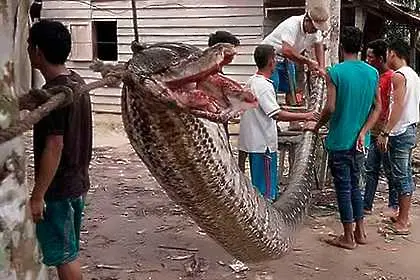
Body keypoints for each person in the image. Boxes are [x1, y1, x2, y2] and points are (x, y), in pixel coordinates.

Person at [27, 20, 92, 280]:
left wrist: (37, 195)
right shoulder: (77, 83)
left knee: (65, 258)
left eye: (29, 46)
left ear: (38, 51)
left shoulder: (53, 95)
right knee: (68, 251)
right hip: (77, 182)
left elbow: (55, 145)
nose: (28, 51)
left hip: (59, 189)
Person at [310, 26, 381, 249]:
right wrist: (363, 131)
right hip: (361, 142)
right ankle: (360, 232)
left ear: (342, 47)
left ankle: (348, 237)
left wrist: (317, 124)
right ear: (360, 48)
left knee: (343, 188)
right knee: (355, 187)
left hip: (340, 140)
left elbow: (330, 107)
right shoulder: (372, 72)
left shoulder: (336, 72)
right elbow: (377, 107)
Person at [239, 44, 318, 201]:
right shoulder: (264, 86)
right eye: (275, 60)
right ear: (271, 62)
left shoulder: (251, 81)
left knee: (259, 185)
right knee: (266, 192)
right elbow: (276, 114)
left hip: (253, 142)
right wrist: (306, 116)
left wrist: (300, 113)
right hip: (263, 144)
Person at [377, 39, 420, 235]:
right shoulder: (413, 75)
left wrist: (386, 131)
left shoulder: (399, 76)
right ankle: (402, 215)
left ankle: (403, 219)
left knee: (401, 174)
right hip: (409, 127)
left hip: (401, 130)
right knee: (402, 172)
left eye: (387, 53)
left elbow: (399, 105)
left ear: (393, 53)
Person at [262, 5, 329, 105]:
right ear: (307, 20)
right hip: (269, 55)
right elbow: (287, 50)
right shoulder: (292, 24)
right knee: (272, 86)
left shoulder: (316, 32)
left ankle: (293, 117)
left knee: (291, 88)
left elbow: (319, 46)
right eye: (314, 28)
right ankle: (271, 115)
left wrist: (321, 67)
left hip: (287, 58)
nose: (315, 31)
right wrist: (308, 61)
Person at [363, 39, 398, 215]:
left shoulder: (392, 77)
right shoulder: (372, 75)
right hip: (373, 128)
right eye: (367, 56)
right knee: (371, 168)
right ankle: (367, 204)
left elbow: (393, 105)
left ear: (381, 58)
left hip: (385, 130)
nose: (368, 59)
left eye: (371, 57)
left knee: (389, 169)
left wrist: (387, 131)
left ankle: (394, 204)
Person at [207, 31, 249, 172]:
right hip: (211, 127)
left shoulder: (217, 71)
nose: (234, 53)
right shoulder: (207, 72)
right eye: (232, 49)